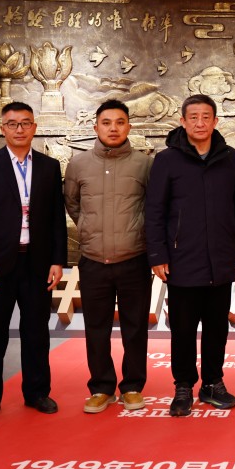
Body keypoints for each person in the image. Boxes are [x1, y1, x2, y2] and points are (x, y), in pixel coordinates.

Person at [145, 94, 235, 418]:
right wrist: (157, 254)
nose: (200, 123)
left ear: (215, 121)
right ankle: (183, 386)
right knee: (183, 329)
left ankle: (213, 383)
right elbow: (154, 210)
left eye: (206, 117)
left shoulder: (229, 158)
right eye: (194, 117)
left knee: (217, 327)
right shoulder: (167, 160)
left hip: (221, 258)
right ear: (182, 121)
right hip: (182, 259)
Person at [0, 101, 66, 424]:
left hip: (37, 264)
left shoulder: (49, 166)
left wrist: (57, 261)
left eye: (25, 123)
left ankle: (37, 393)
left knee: (36, 333)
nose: (19, 129)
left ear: (34, 127)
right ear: (2, 128)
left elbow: (56, 219)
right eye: (12, 123)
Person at [63, 99, 153, 414]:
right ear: (95, 127)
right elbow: (73, 204)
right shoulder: (78, 164)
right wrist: (90, 230)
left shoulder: (144, 164)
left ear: (129, 126)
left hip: (134, 258)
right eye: (106, 122)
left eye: (119, 122)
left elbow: (153, 207)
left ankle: (132, 386)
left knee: (135, 327)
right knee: (96, 328)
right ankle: (101, 387)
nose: (113, 128)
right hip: (93, 260)